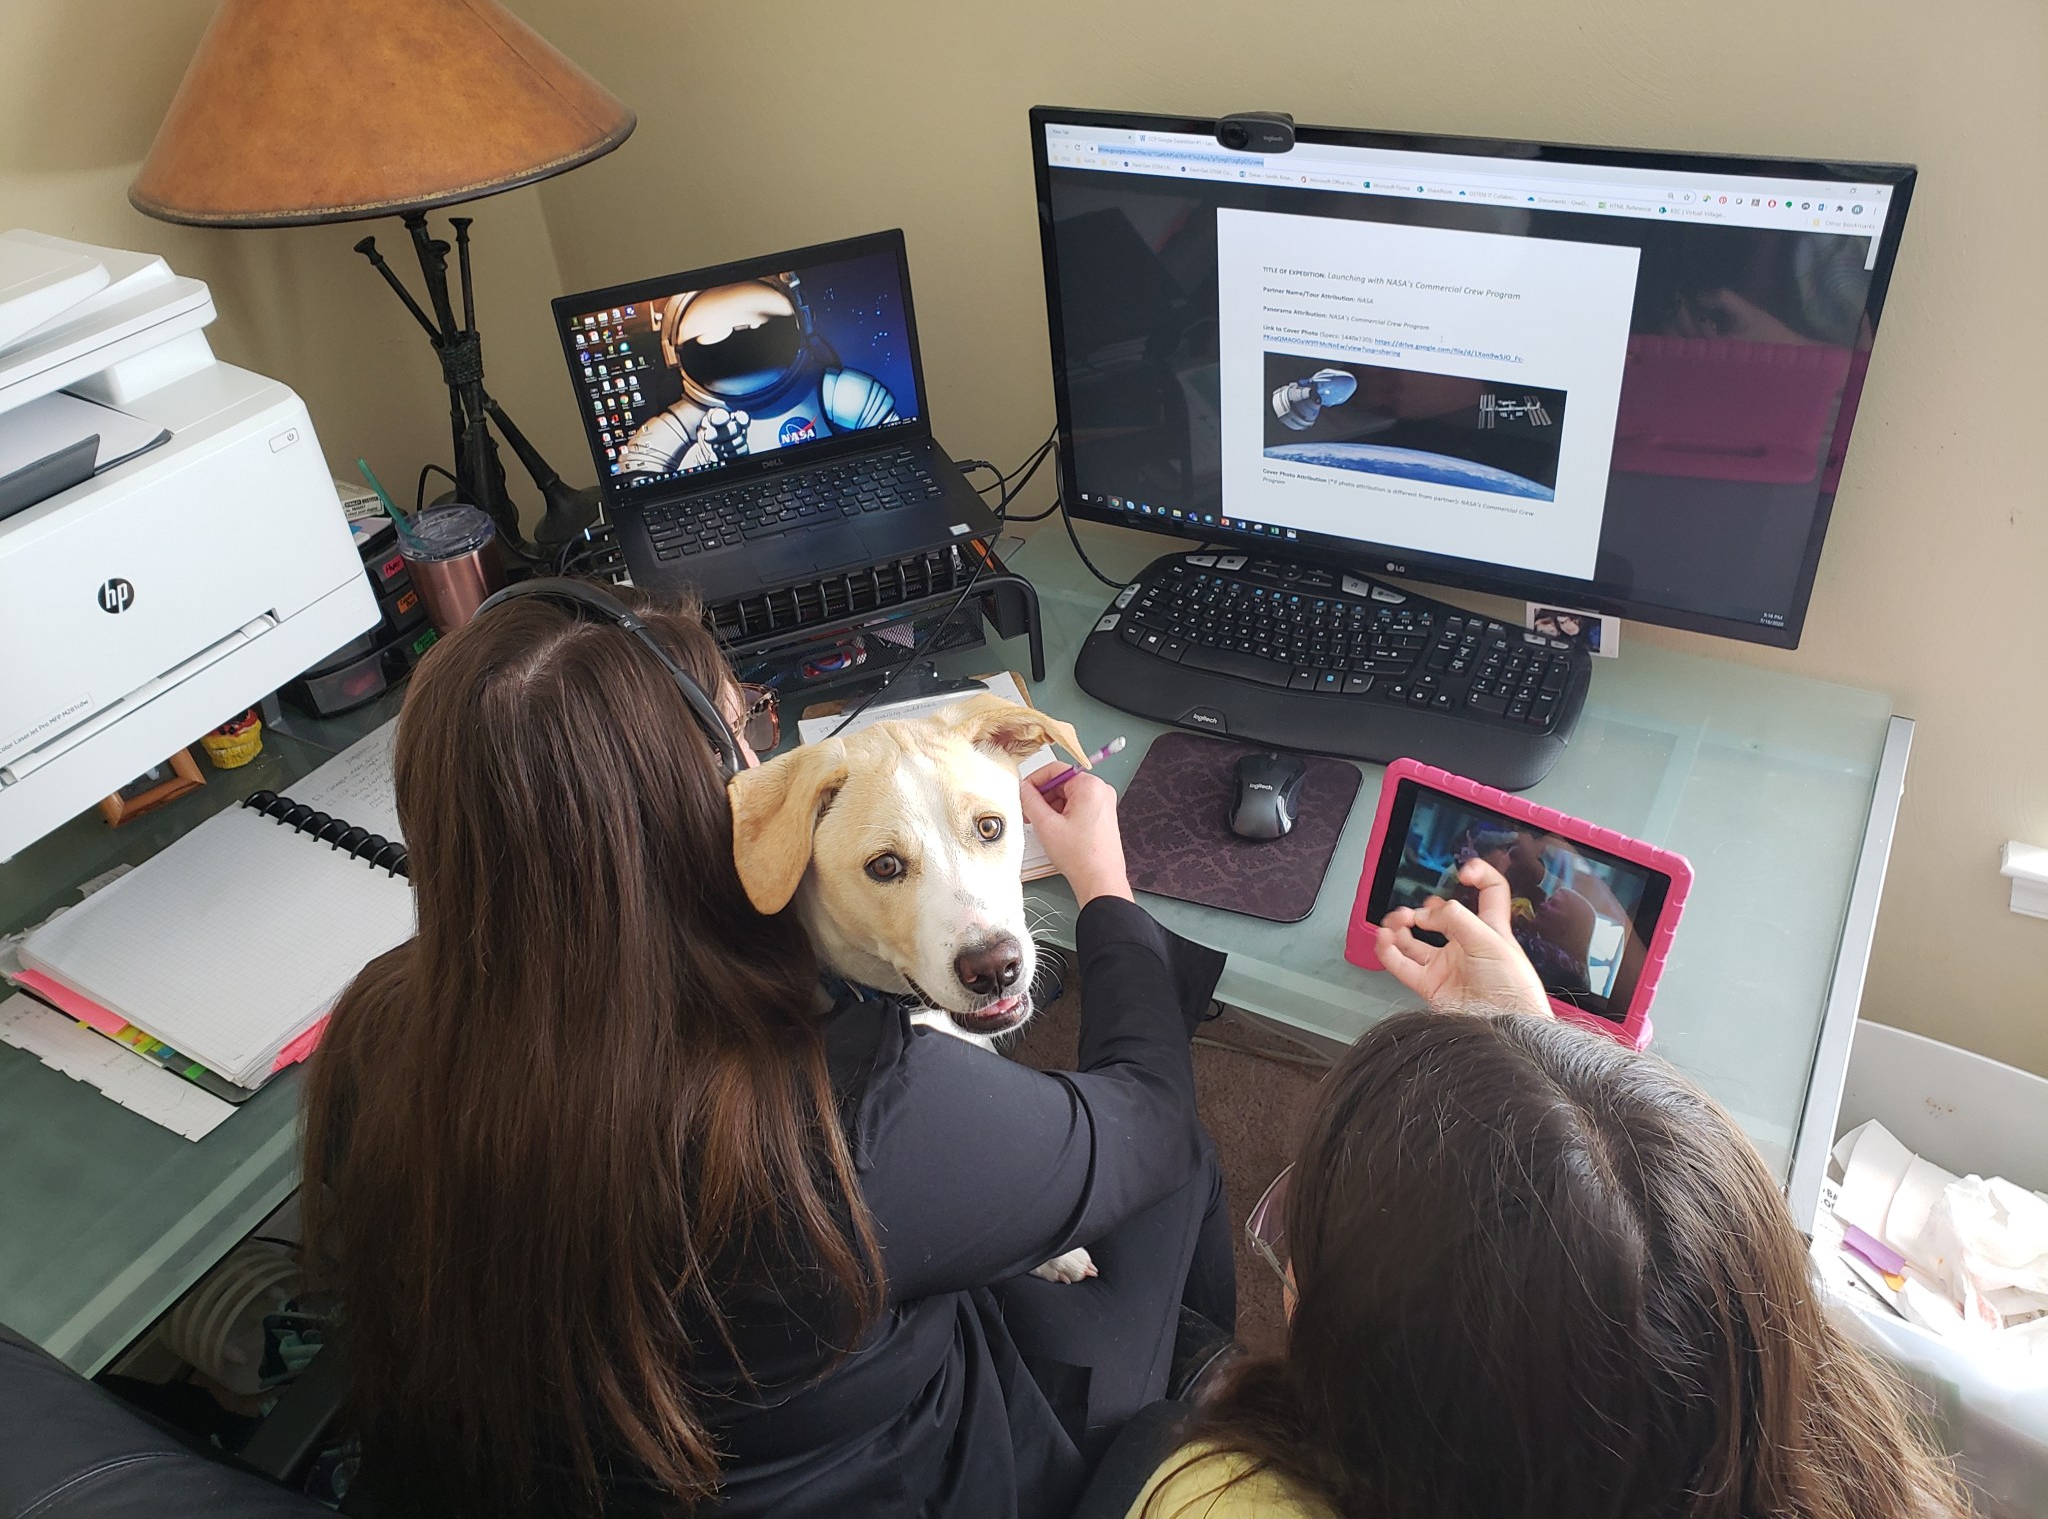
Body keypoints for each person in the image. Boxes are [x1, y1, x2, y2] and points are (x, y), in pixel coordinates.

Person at [300, 584, 1234, 1519]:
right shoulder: (852, 1115)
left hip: (560, 1474)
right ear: (707, 789)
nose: (762, 757)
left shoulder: (381, 1018)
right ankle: (1194, 1417)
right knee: (1181, 1152)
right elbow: (1147, 1114)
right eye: (744, 730)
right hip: (893, 1473)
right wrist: (1107, 890)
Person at [1129, 859, 1968, 1519]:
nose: (1291, 1268)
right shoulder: (1810, 1441)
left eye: (1298, 1247)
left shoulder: (1226, 1497)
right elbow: (1641, 1249)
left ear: (1414, 1408)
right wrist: (1520, 1052)